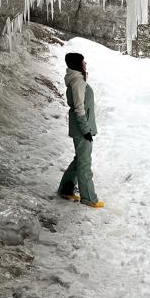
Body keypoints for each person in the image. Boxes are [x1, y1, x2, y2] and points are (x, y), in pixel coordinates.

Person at [57, 52, 105, 208]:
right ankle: (89, 198)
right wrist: (86, 130)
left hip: (80, 127)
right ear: (77, 64)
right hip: (82, 128)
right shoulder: (77, 81)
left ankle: (66, 188)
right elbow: (79, 108)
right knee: (84, 163)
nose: (85, 64)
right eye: (83, 62)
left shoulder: (76, 79)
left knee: (79, 160)